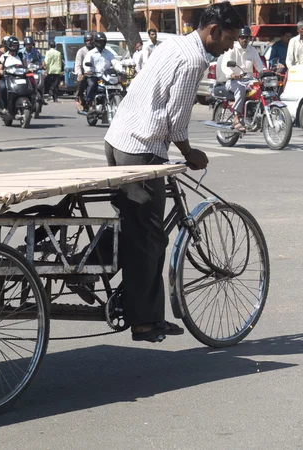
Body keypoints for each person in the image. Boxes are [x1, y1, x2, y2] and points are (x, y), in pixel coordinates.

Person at [103, 1, 243, 343]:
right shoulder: (193, 59)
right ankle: (145, 321)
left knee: (135, 228)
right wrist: (189, 153)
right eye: (228, 38)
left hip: (119, 139)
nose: (230, 46)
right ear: (213, 30)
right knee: (150, 238)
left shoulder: (174, 44)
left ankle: (112, 279)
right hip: (141, 150)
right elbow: (175, 120)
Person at [221, 26, 265, 131]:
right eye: (242, 37)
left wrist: (266, 72)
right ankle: (236, 117)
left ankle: (256, 113)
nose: (245, 39)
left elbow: (259, 66)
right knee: (240, 88)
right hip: (233, 81)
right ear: (238, 38)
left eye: (247, 37)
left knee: (262, 88)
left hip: (248, 80)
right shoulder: (232, 49)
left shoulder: (252, 50)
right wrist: (232, 74)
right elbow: (224, 65)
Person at [82, 32, 123, 110]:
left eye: (103, 42)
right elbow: (85, 63)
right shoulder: (91, 53)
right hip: (94, 75)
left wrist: (121, 70)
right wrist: (88, 70)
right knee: (92, 84)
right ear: (96, 42)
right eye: (99, 42)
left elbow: (115, 61)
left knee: (118, 85)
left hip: (105, 76)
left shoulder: (108, 53)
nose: (101, 43)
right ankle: (88, 102)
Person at [0, 36, 24, 115]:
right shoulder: (4, 56)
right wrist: (0, 71)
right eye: (12, 45)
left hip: (20, 78)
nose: (14, 47)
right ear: (8, 46)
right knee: (2, 87)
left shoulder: (21, 56)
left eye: (16, 45)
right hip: (7, 78)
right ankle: (4, 107)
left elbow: (26, 66)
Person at [75, 31, 94, 111]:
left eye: (90, 40)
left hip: (96, 73)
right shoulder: (81, 51)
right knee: (82, 81)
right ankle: (79, 98)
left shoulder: (96, 50)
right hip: (85, 74)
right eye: (87, 40)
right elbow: (78, 64)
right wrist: (80, 74)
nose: (89, 42)